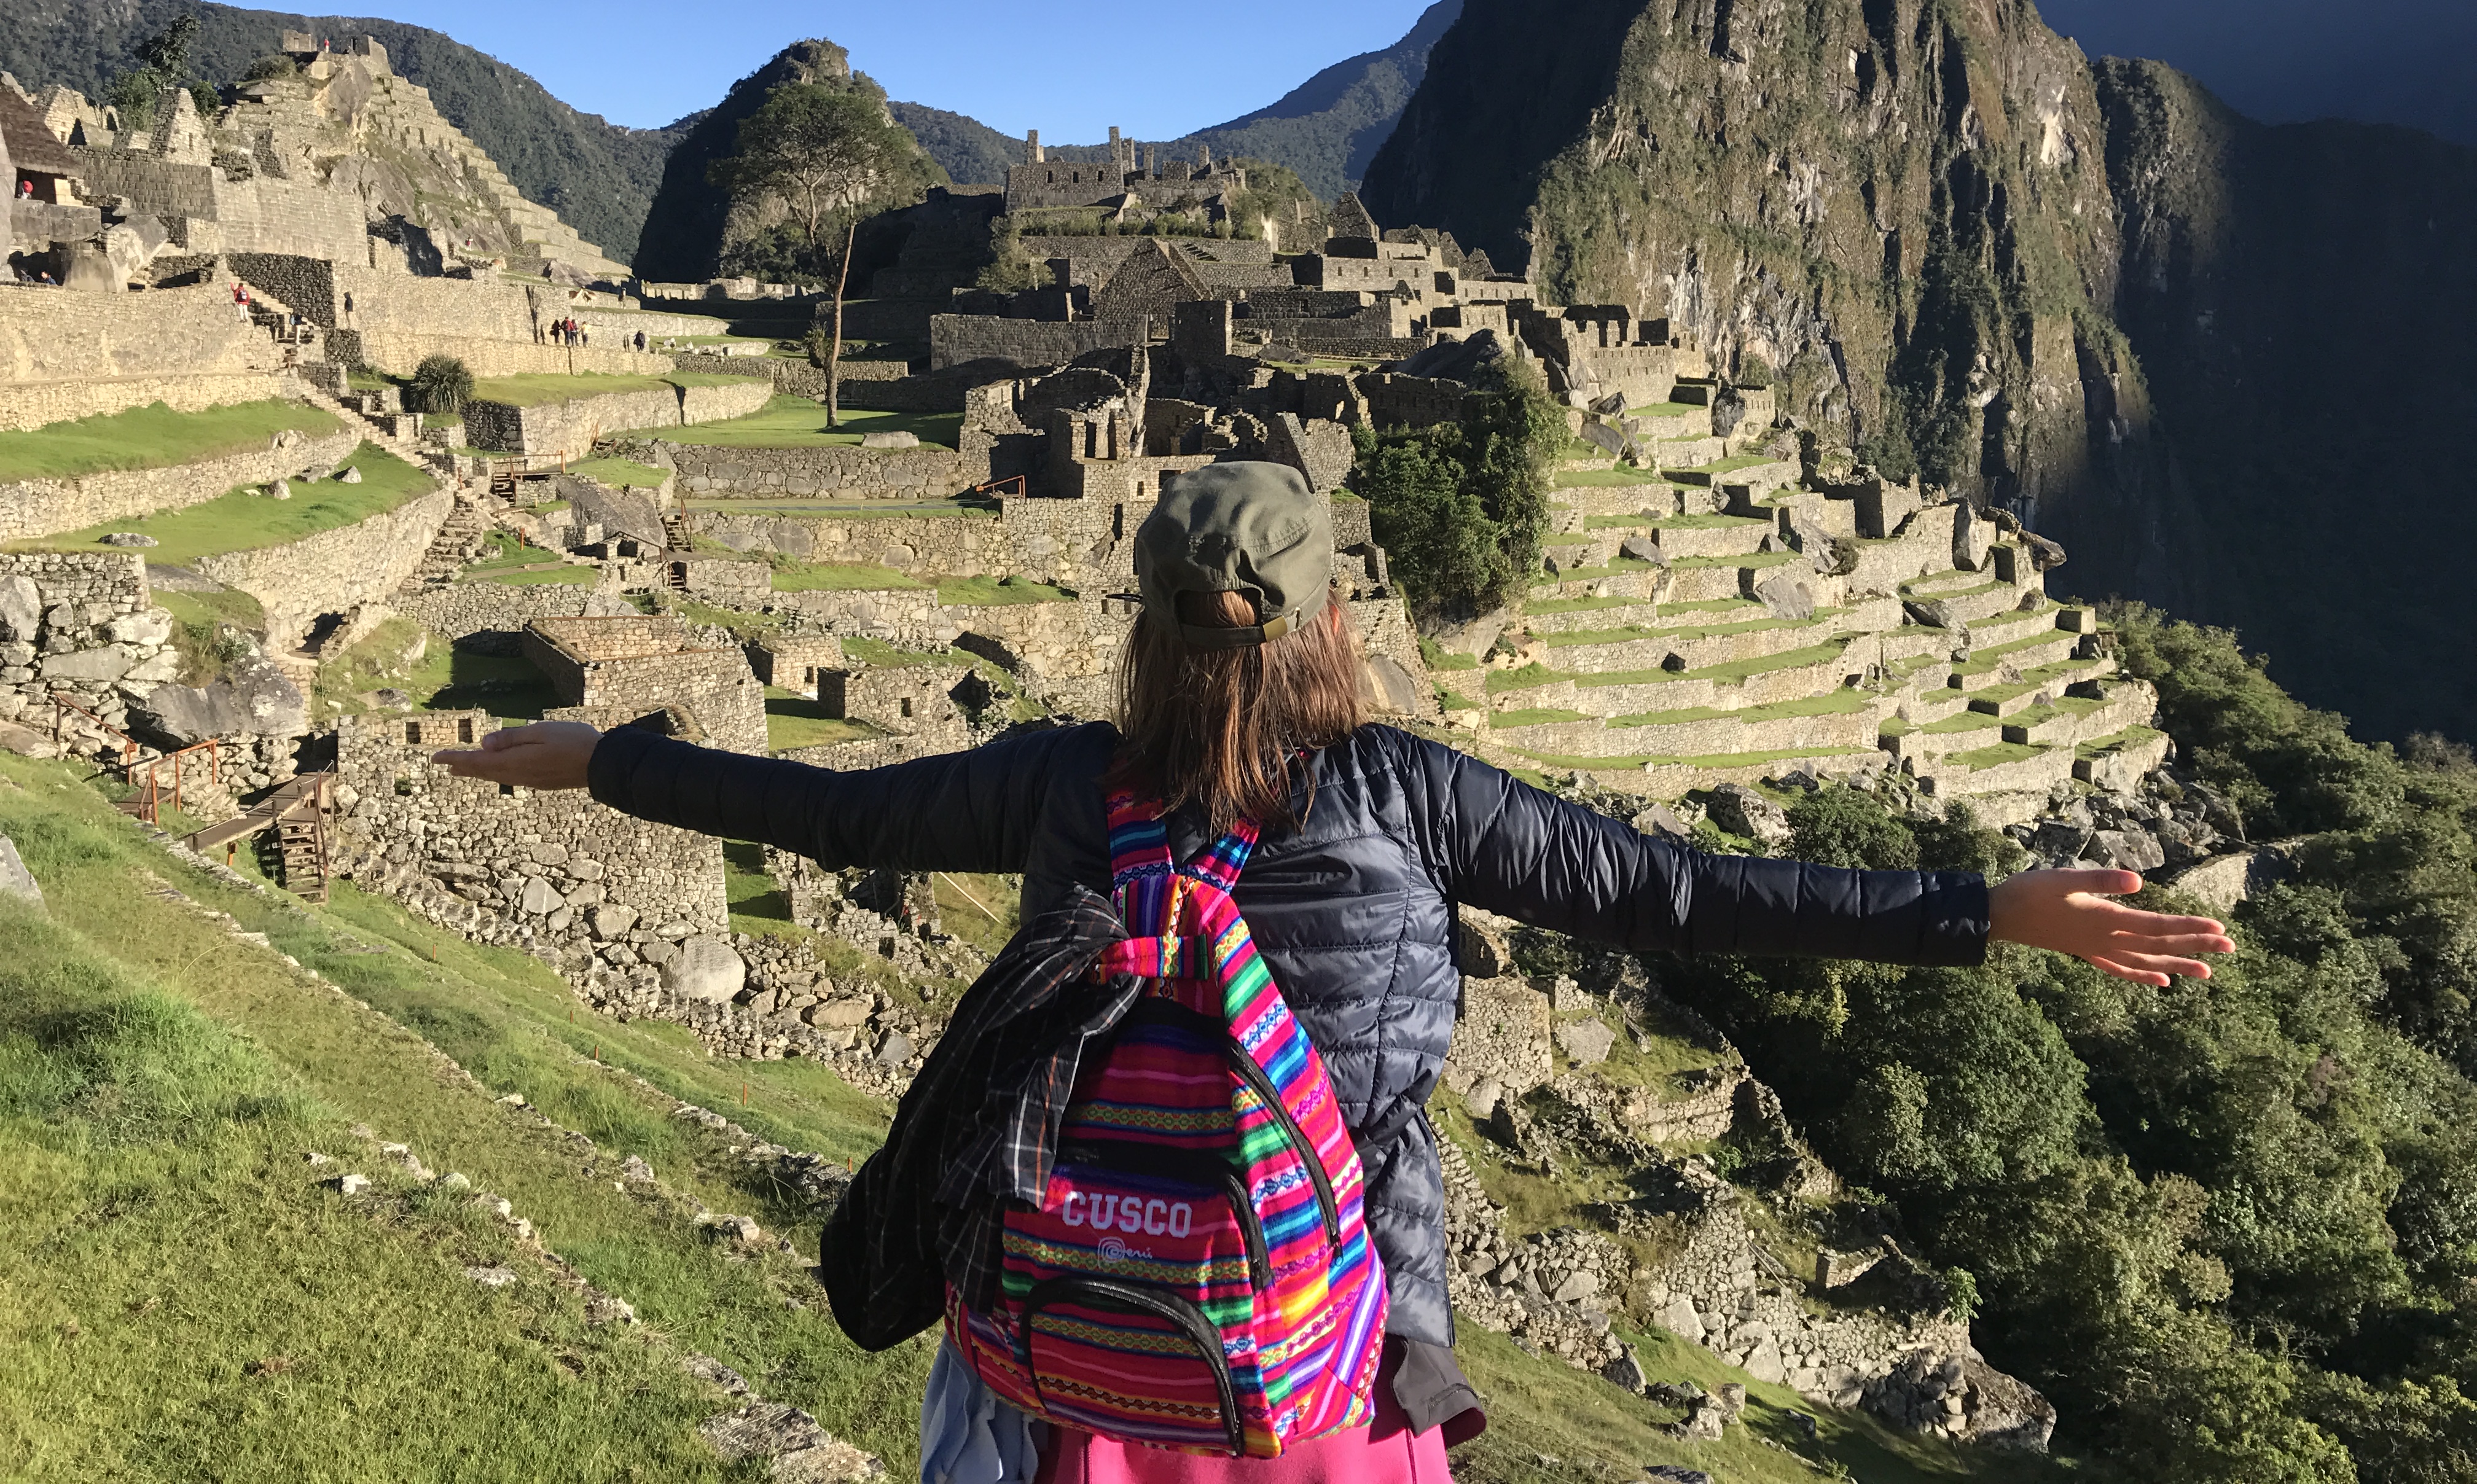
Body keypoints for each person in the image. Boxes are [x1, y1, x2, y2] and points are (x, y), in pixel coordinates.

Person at [436, 463, 2231, 1484]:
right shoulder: (1409, 796)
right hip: (1320, 1353)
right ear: (1328, 630)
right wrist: (1983, 911)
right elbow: (1682, 895)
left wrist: (605, 758)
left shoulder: (1070, 784)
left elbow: (835, 818)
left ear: (1141, 630)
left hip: (1065, 1343)